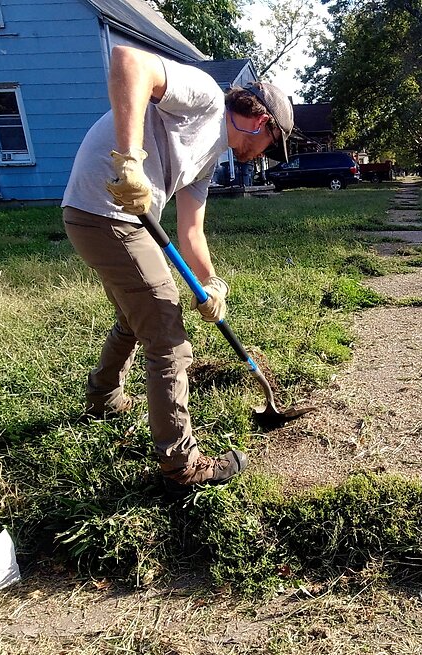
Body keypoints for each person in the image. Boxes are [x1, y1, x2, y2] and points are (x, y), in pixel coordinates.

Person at [61, 45, 293, 488]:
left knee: (135, 320)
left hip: (110, 218)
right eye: (269, 147)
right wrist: (128, 160)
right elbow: (128, 61)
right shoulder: (205, 95)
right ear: (262, 123)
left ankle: (103, 398)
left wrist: (210, 284)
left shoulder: (208, 159)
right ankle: (181, 465)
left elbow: (191, 233)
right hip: (104, 213)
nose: (263, 156)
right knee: (167, 335)